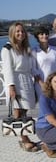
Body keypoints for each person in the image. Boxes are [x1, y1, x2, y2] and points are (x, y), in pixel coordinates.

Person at [1, 22, 38, 152]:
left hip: (26, 81)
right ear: (12, 33)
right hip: (16, 82)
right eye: (17, 31)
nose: (20, 33)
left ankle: (24, 136)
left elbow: (31, 67)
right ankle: (24, 140)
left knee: (25, 110)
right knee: (18, 112)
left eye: (22, 31)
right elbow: (7, 69)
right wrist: (11, 87)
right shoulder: (7, 49)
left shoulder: (25, 48)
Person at [32, 26, 56, 100]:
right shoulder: (34, 51)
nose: (45, 36)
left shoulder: (54, 49)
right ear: (37, 36)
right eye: (42, 34)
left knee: (55, 104)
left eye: (46, 34)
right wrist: (42, 84)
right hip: (41, 85)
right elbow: (33, 69)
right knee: (44, 105)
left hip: (55, 83)